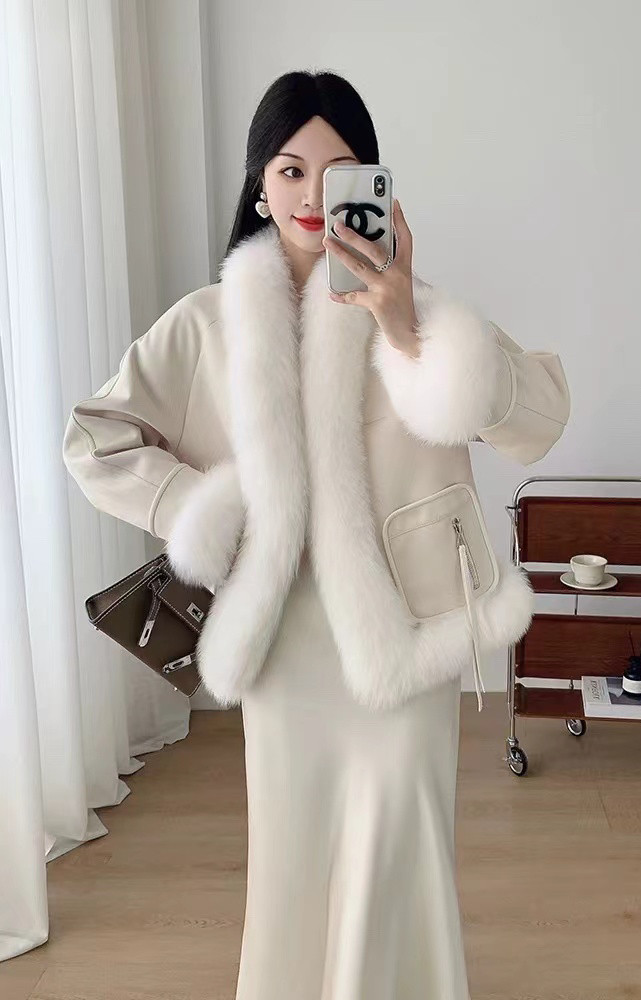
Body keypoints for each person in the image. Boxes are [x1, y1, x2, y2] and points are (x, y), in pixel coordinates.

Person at [63, 70, 570, 1000]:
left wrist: (406, 329)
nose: (310, 195)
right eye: (290, 170)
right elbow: (93, 438)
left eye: (338, 173)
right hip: (285, 647)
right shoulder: (207, 324)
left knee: (403, 847)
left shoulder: (422, 311)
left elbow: (539, 421)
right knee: (293, 859)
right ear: (260, 185)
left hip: (405, 631)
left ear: (373, 184)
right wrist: (205, 507)